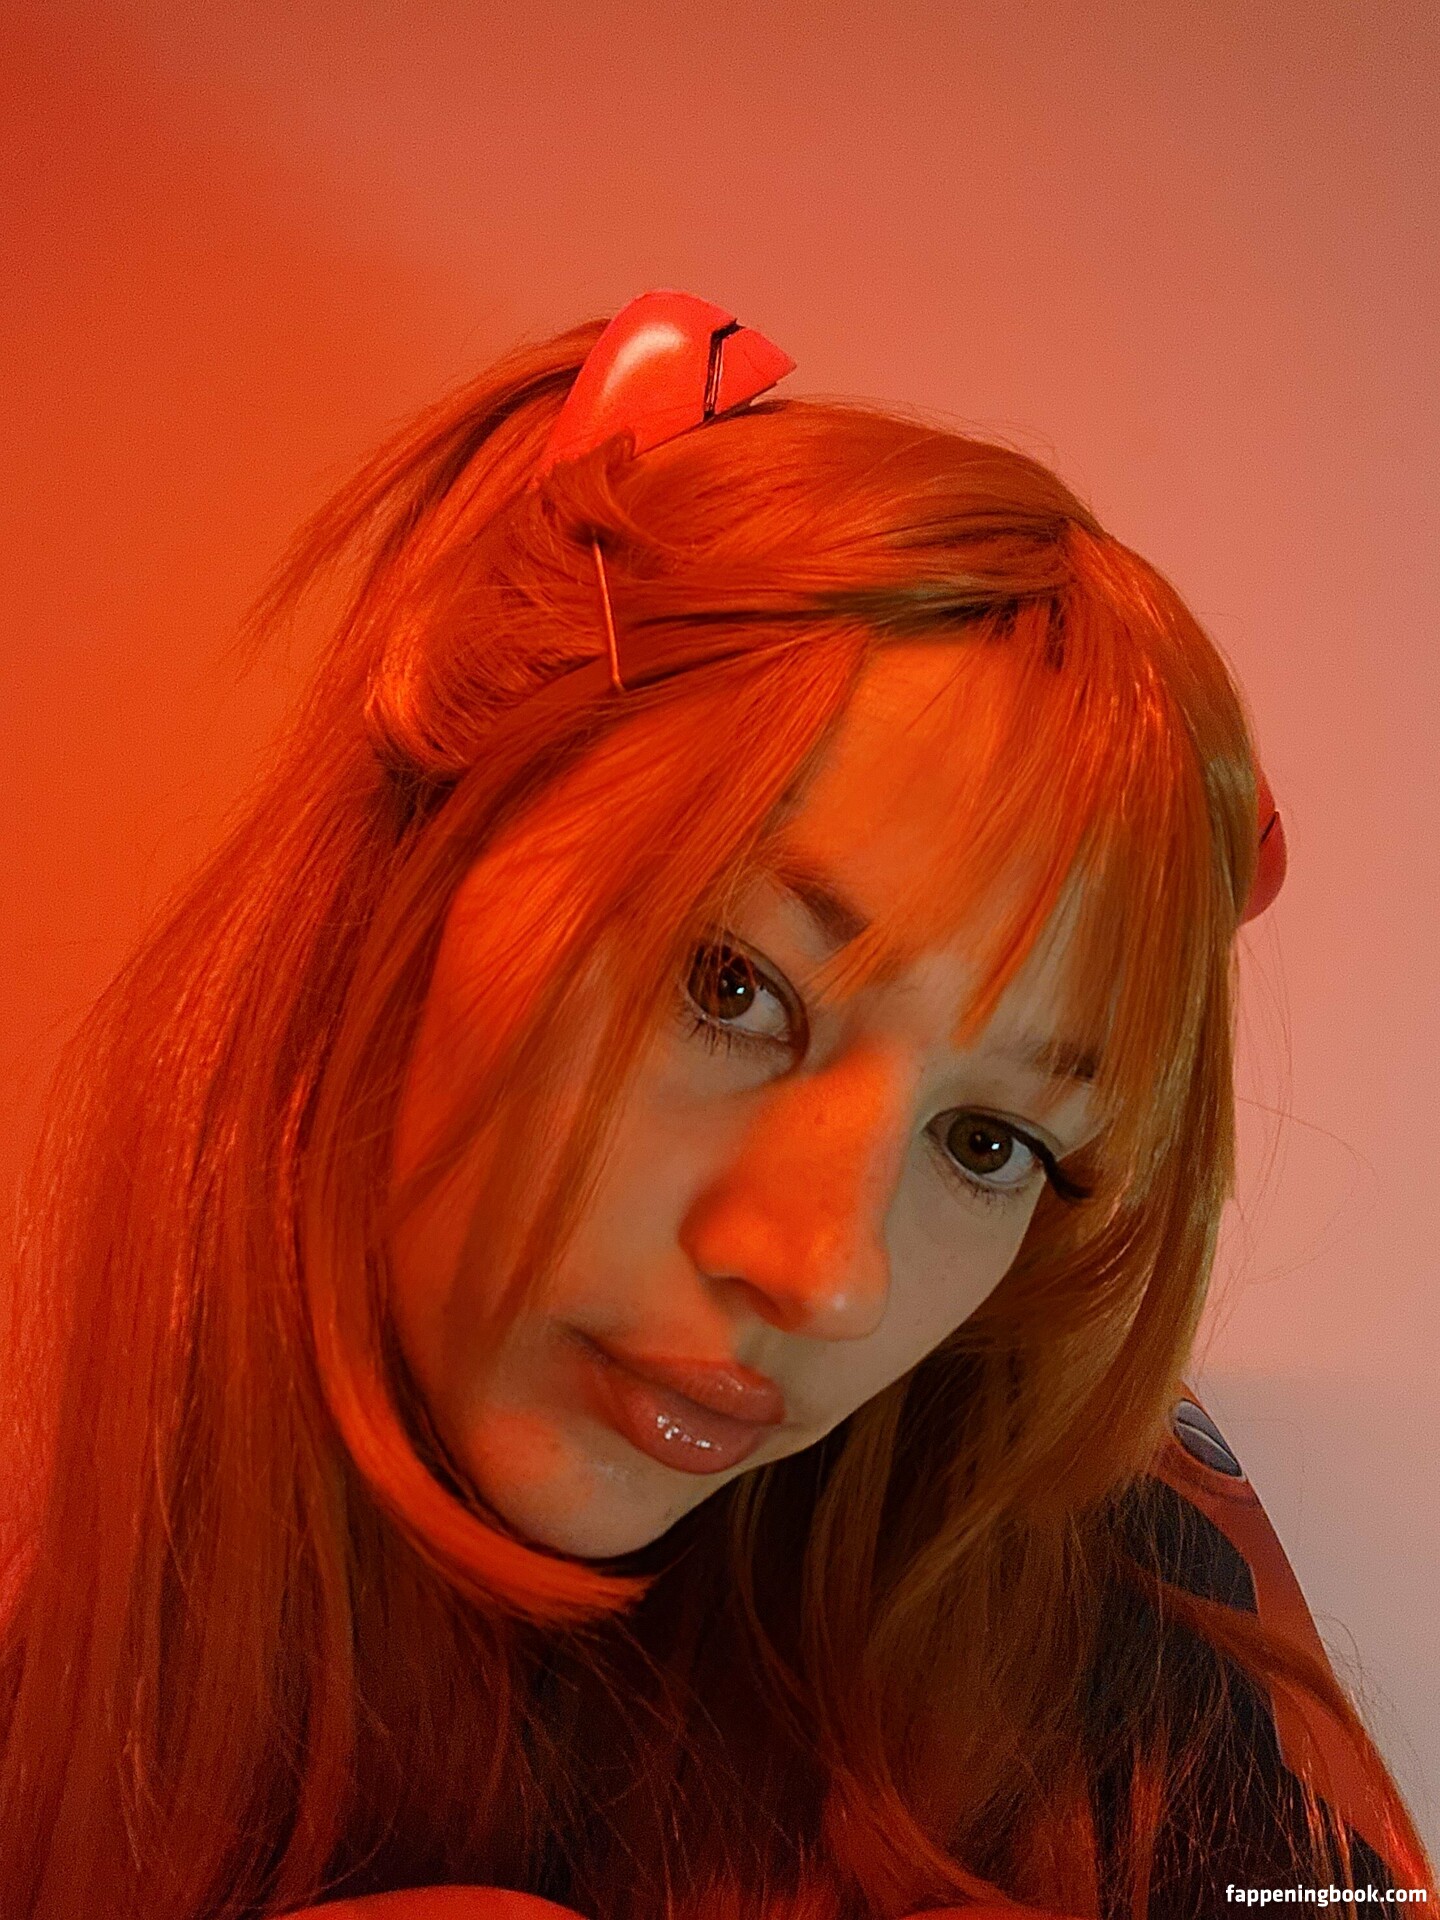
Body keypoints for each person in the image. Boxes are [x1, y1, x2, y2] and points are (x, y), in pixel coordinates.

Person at [0, 292, 1428, 1920]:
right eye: (732, 985)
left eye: (989, 1143)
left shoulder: (1092, 1575)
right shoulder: (52, 1706)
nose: (828, 1277)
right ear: (418, 868)